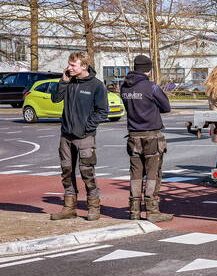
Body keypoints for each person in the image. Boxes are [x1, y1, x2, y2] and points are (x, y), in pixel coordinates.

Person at [50, 51, 108, 221]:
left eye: (73, 65)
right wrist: (63, 81)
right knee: (66, 172)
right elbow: (55, 99)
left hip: (84, 137)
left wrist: (86, 128)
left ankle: (94, 207)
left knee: (87, 173)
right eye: (69, 64)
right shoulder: (69, 81)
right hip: (65, 136)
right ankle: (69, 208)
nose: (69, 68)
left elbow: (102, 111)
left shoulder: (96, 85)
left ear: (84, 66)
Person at [120, 55, 173, 222]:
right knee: (153, 173)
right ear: (148, 69)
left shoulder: (124, 86)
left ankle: (134, 210)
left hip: (133, 135)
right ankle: (152, 210)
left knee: (135, 173)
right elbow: (166, 107)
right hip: (151, 135)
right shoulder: (151, 87)